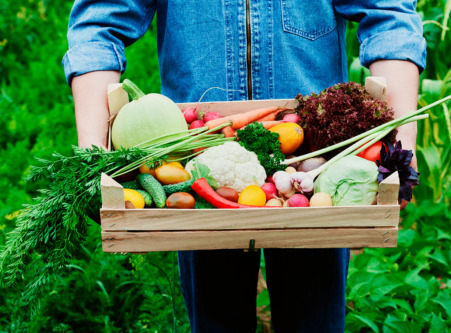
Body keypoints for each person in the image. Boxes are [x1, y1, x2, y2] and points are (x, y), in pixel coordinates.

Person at [64, 1, 425, 332]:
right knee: (216, 321)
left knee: (313, 320)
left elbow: (389, 16)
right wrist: (94, 155)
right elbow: (98, 23)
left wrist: (400, 152)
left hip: (319, 162)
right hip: (196, 164)